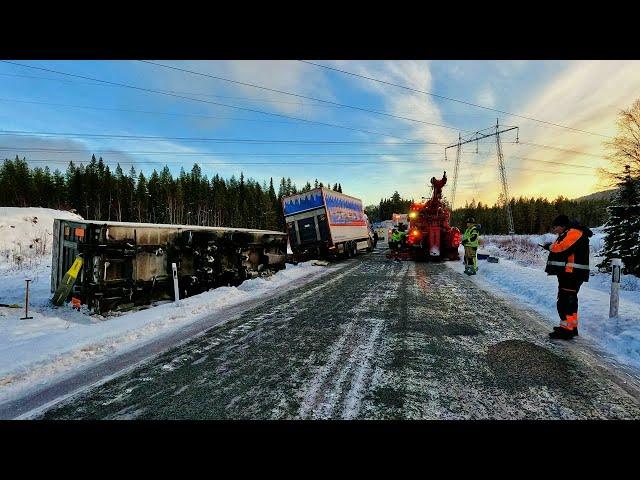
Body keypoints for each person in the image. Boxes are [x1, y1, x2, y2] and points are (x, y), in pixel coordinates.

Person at [542, 214, 593, 340]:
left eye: (556, 227)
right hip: (569, 273)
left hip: (572, 274)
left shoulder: (573, 232)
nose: (555, 230)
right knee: (568, 300)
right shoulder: (570, 232)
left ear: (562, 225)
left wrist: (549, 246)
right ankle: (570, 327)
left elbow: (562, 248)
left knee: (566, 301)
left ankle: (567, 330)